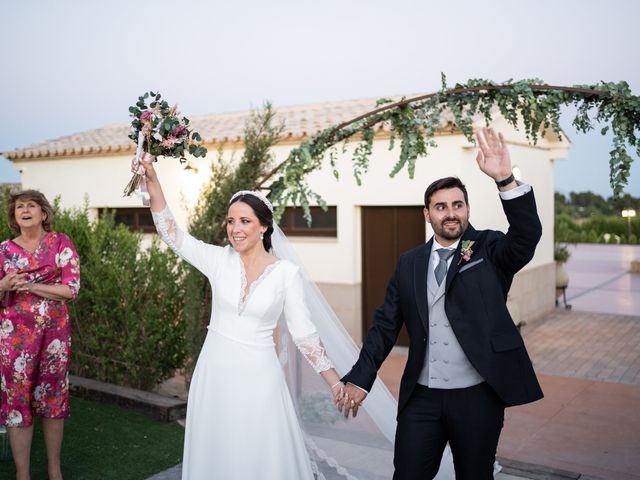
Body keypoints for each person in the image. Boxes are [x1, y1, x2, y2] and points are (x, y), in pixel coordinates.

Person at [338, 127, 544, 479]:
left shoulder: (490, 250)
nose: (450, 213)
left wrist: (505, 179)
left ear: (467, 209)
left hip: (478, 397)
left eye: (457, 205)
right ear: (427, 214)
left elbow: (527, 236)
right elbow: (385, 325)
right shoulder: (409, 262)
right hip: (422, 397)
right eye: (441, 206)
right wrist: (360, 378)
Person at [140, 153, 347, 479]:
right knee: (218, 453)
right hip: (215, 375)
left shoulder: (286, 274)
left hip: (259, 379)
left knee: (257, 456)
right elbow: (171, 233)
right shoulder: (216, 260)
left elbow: (304, 334)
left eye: (245, 221)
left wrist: (334, 381)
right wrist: (151, 176)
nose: (235, 229)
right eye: (230, 221)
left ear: (264, 227)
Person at [0, 190, 80, 480]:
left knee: (53, 400)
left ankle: (54, 470)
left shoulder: (61, 243)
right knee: (17, 403)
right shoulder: (4, 251)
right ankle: (23, 475)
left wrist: (30, 286)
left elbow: (71, 289)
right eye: (19, 206)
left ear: (43, 213)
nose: (24, 210)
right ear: (14, 216)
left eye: (31, 205)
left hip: (53, 339)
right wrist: (4, 284)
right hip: (15, 343)